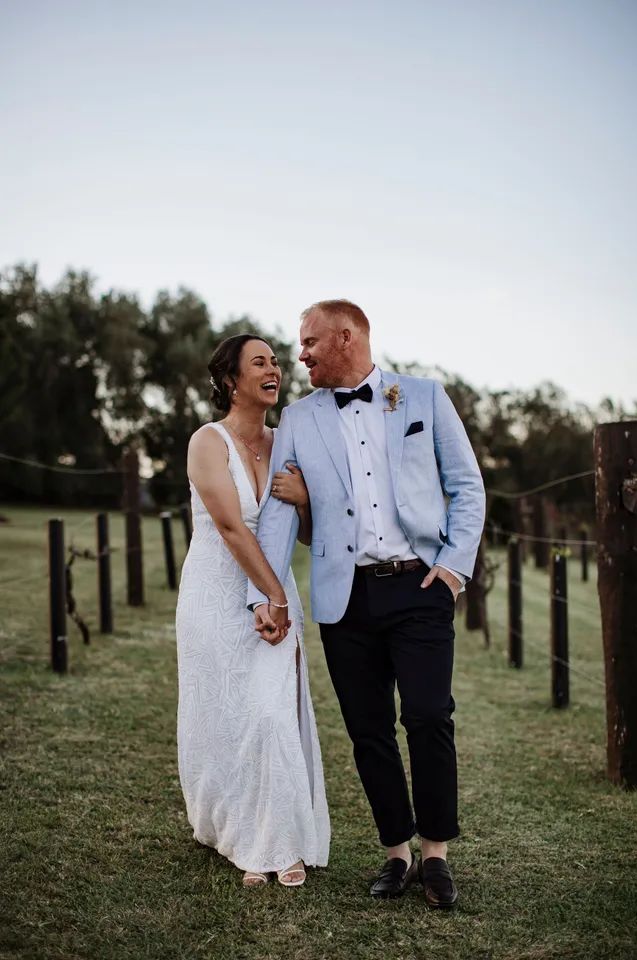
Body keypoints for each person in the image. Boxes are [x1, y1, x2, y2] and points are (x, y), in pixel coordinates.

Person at [249, 301, 485, 908]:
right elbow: (279, 511)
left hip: (421, 586)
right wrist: (266, 594)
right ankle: (395, 854)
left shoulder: (426, 397)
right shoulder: (298, 420)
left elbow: (466, 486)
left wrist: (454, 568)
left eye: (307, 343)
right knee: (368, 730)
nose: (298, 354)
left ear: (345, 337)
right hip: (344, 595)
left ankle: (436, 856)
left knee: (430, 716)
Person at [175, 334, 330, 889]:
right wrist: (276, 597)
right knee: (223, 716)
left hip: (275, 598)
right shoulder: (206, 442)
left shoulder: (287, 441)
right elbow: (231, 527)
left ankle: (276, 840)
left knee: (269, 712)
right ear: (230, 380)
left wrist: (307, 501)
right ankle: (235, 831)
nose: (275, 370)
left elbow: (309, 533)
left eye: (276, 362)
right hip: (217, 595)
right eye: (259, 362)